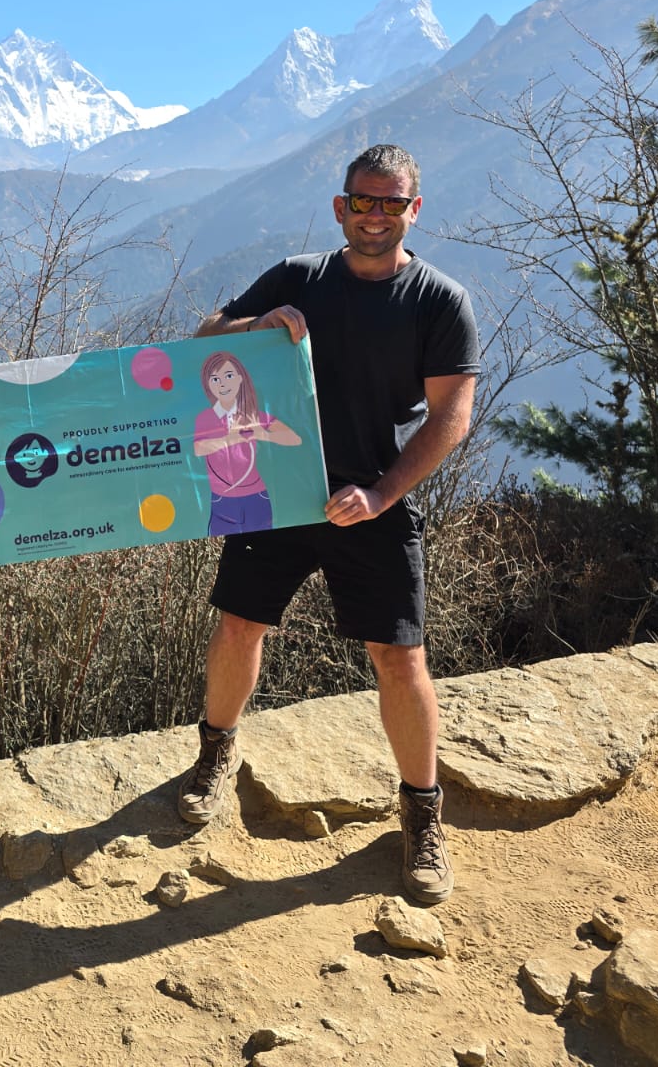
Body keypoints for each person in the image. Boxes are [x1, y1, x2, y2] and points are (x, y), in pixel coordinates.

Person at [181, 145, 479, 906]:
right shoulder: (297, 277)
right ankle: (215, 757)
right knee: (240, 625)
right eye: (363, 200)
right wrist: (254, 321)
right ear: (340, 207)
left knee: (398, 656)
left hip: (371, 498)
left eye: (392, 202)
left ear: (416, 209)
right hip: (277, 493)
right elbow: (202, 340)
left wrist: (380, 496)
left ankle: (421, 815)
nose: (376, 214)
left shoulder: (440, 301)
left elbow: (451, 417)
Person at [192, 348, 302, 536]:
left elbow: (294, 438)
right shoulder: (205, 418)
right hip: (221, 499)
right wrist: (231, 438)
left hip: (256, 496)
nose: (222, 384)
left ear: (240, 378)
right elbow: (199, 449)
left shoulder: (253, 414)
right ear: (208, 384)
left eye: (228, 376)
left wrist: (263, 435)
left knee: (263, 546)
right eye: (215, 379)